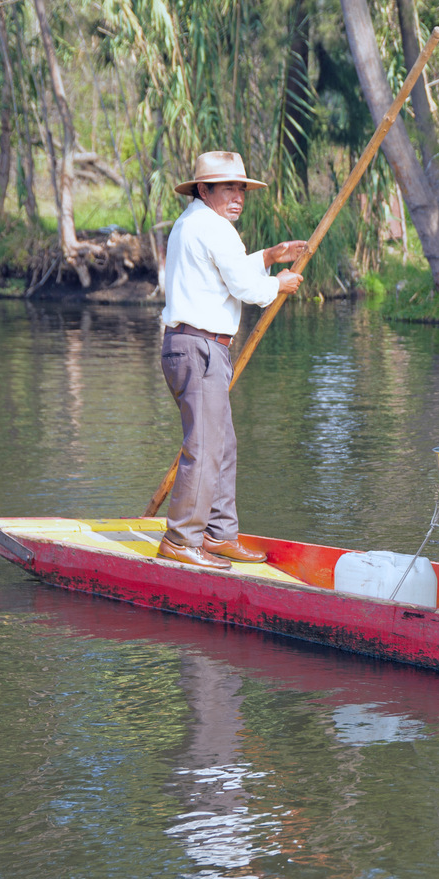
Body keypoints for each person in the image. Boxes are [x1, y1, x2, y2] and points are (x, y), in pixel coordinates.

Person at [156, 150, 308, 570]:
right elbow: (245, 288)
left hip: (191, 347)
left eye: (241, 188)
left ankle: (217, 534)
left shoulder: (194, 223)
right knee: (204, 448)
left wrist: (268, 256)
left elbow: (227, 269)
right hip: (199, 348)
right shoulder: (213, 227)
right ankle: (182, 539)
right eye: (228, 187)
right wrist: (278, 283)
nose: (238, 196)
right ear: (204, 189)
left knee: (221, 444)